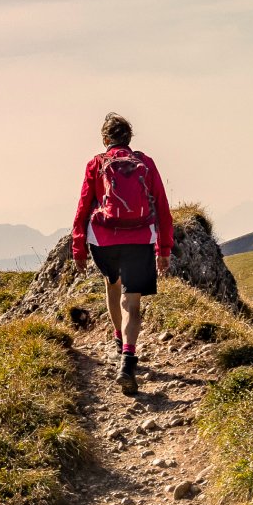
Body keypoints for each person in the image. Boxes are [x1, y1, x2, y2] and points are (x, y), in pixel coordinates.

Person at [70, 112, 173, 394]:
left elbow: (83, 206)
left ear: (105, 139)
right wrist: (164, 249)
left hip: (103, 241)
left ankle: (118, 339)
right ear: (129, 139)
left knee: (112, 286)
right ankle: (128, 357)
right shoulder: (146, 164)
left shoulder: (97, 163)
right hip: (140, 239)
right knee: (133, 302)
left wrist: (78, 245)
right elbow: (162, 207)